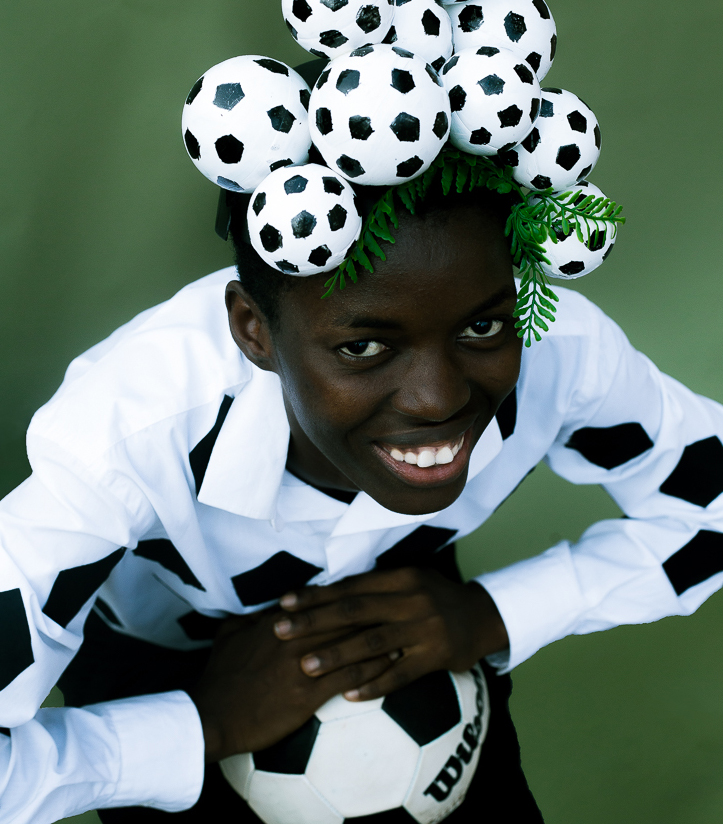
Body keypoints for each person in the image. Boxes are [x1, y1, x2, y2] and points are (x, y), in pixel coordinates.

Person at [2, 144, 723, 823]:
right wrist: (191, 726)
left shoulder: (559, 355)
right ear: (253, 330)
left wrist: (491, 615)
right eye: (363, 346)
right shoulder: (122, 440)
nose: (437, 398)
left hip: (412, 596)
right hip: (159, 654)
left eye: (480, 327)